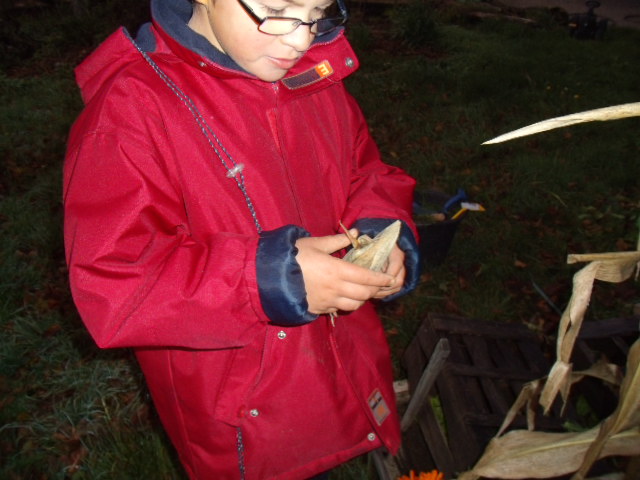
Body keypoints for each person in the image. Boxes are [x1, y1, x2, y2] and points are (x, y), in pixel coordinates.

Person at [63, 0, 420, 477]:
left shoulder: (312, 78)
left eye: (319, 12)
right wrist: (268, 281)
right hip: (241, 406)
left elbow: (365, 171)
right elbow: (115, 284)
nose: (301, 38)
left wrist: (380, 230)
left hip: (338, 361)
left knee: (327, 441)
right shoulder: (132, 110)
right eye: (278, 9)